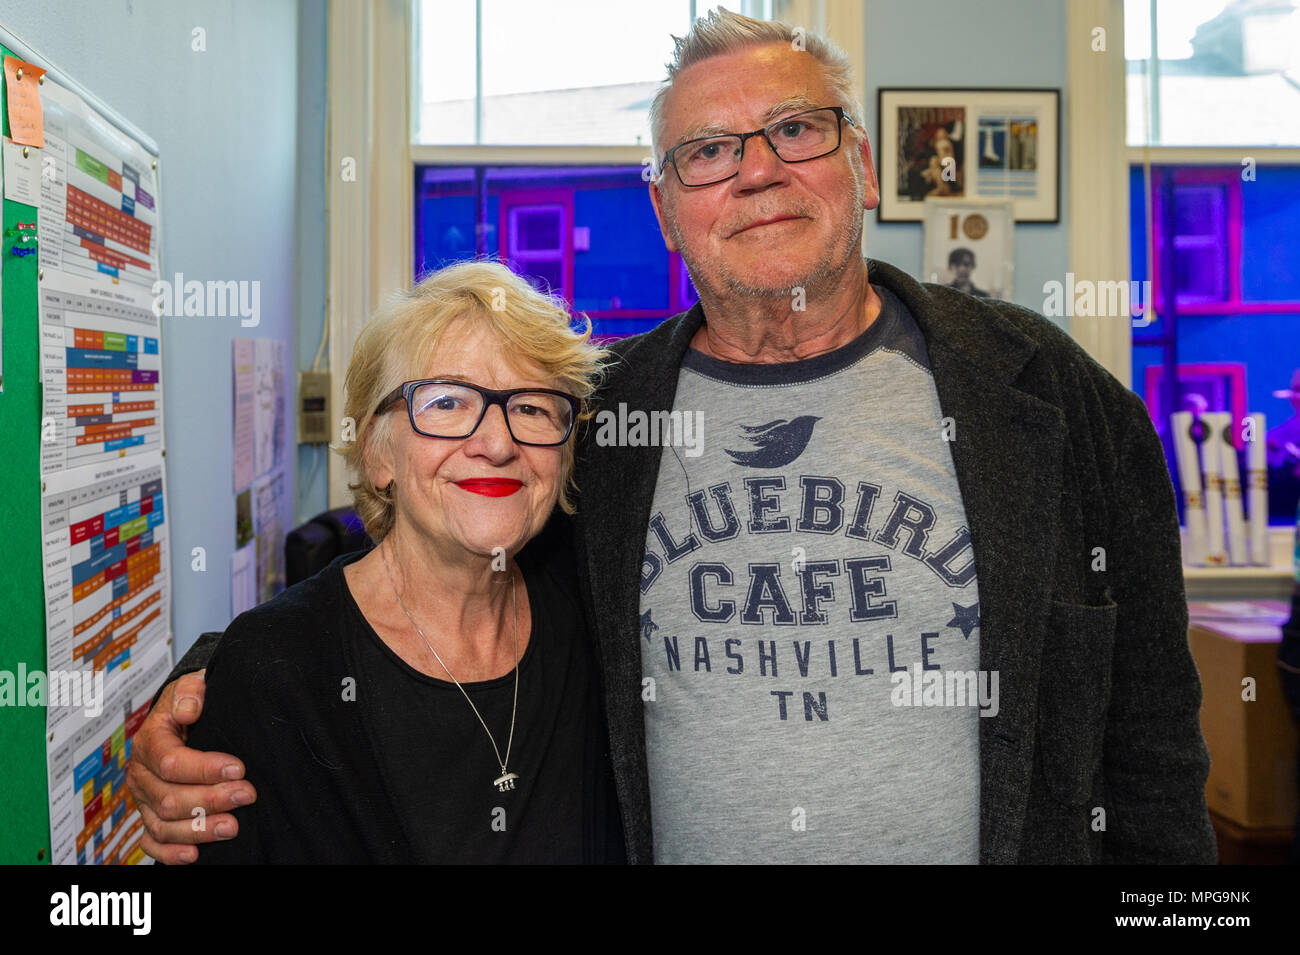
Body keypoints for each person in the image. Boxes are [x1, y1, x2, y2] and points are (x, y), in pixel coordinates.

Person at [128, 10, 1215, 864]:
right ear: (664, 209)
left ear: (864, 168)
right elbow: (439, 570)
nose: (755, 169)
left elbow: (1155, 738)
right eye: (705, 151)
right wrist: (222, 686)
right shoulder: (602, 421)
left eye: (795, 129)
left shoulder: (1047, 397)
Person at [166, 260, 617, 862]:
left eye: (534, 407)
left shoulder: (592, 613)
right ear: (378, 453)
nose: (499, 443)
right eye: (449, 402)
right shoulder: (274, 669)